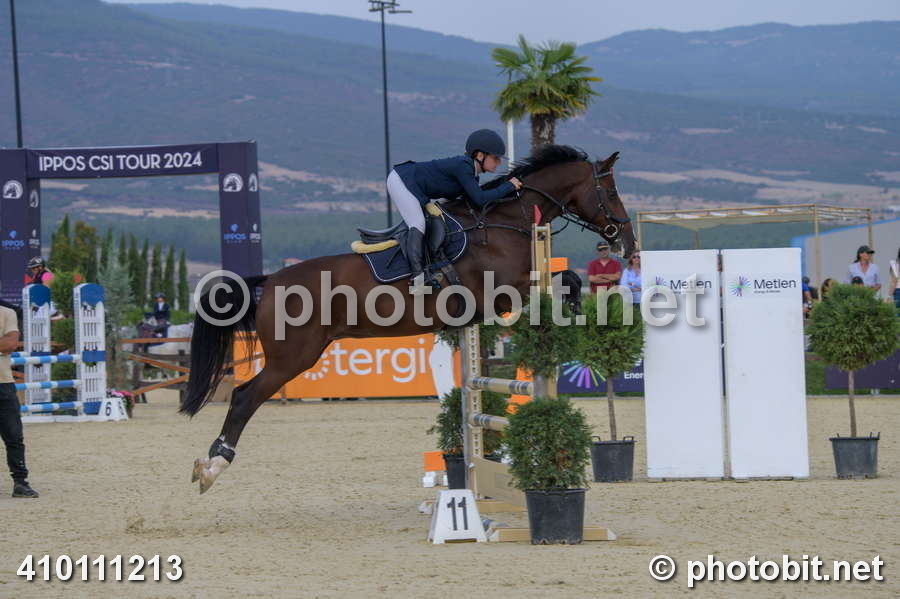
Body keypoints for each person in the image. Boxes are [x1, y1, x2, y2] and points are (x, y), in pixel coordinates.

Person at [387, 129, 523, 293]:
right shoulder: (463, 166)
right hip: (402, 180)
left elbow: (475, 201)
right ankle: (417, 279)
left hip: (413, 185)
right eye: (495, 158)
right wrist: (508, 186)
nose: (499, 162)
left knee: (427, 224)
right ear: (480, 155)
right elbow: (480, 199)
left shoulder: (471, 174)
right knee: (418, 223)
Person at [0, 301, 38, 497]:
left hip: (3, 383)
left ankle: (20, 482)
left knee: (14, 436)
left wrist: (5, 344)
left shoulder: (7, 313)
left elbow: (10, 344)